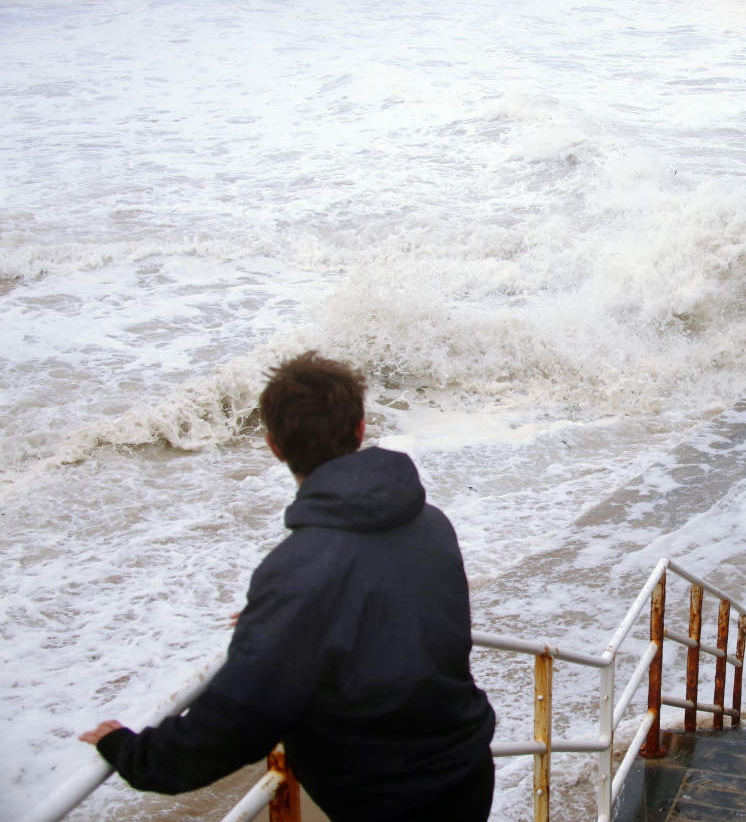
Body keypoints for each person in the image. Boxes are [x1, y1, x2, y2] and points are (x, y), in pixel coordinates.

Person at [80, 351, 496, 821]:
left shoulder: (297, 572)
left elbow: (233, 726)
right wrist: (281, 620)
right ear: (360, 428)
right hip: (467, 772)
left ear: (274, 445)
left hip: (387, 801)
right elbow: (403, 612)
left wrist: (130, 752)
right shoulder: (430, 521)